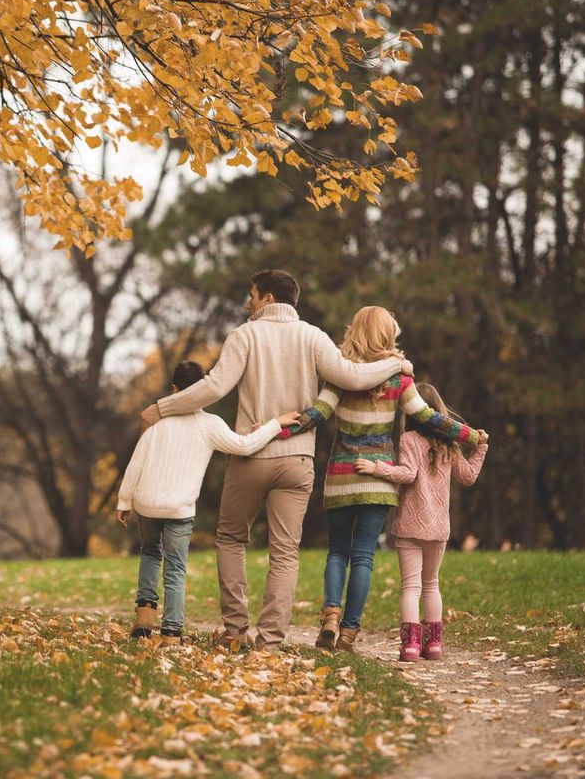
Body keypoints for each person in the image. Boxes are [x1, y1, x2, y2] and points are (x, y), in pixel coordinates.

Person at [140, 270, 412, 650]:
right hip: (296, 461)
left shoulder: (244, 335)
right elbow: (351, 376)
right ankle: (269, 642)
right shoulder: (313, 336)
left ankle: (236, 632)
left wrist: (163, 408)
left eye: (252, 295)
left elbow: (214, 387)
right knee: (284, 552)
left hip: (251, 455)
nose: (247, 302)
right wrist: (396, 365)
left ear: (268, 298)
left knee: (231, 539)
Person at [275, 306, 482, 653]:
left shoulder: (339, 376)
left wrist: (276, 430)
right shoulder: (400, 380)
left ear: (354, 331)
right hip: (379, 479)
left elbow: (317, 415)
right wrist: (470, 436)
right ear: (387, 335)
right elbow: (428, 417)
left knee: (337, 551)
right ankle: (348, 633)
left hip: (342, 475)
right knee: (363, 556)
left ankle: (330, 615)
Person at [117, 360, 288, 644]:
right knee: (175, 567)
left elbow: (136, 463)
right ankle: (171, 632)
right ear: (202, 391)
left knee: (150, 554)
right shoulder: (209, 424)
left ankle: (144, 617)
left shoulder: (158, 423)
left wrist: (124, 501)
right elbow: (244, 445)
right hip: (179, 508)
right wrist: (274, 425)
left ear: (174, 389)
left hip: (147, 503)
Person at [352, 382, 489, 661]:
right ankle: (434, 645)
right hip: (438, 527)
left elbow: (408, 474)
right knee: (431, 583)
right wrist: (481, 448)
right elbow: (468, 476)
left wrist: (377, 468)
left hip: (410, 526)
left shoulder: (409, 439)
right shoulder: (449, 444)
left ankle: (411, 646)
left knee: (411, 587)